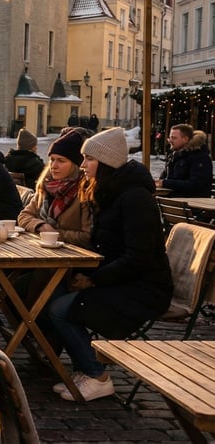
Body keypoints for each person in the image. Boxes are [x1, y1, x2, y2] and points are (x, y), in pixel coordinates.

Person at [45, 127, 172, 402]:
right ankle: (84, 367)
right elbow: (105, 246)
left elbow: (139, 258)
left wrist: (94, 279)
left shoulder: (135, 198)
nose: (83, 165)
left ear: (106, 162)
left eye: (89, 159)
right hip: (120, 277)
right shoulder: (109, 191)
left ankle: (97, 376)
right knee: (53, 291)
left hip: (144, 288)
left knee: (60, 309)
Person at [17, 129, 91, 247]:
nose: (54, 166)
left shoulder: (84, 191)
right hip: (42, 249)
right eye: (52, 160)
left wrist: (55, 234)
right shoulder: (47, 185)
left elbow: (87, 237)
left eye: (61, 161)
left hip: (73, 254)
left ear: (75, 165)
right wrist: (42, 226)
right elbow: (23, 216)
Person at [157, 124, 213, 198]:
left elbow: (195, 184)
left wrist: (165, 183)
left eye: (174, 138)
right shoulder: (174, 156)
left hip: (193, 201)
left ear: (185, 139)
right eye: (170, 137)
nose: (170, 140)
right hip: (173, 198)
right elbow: (163, 179)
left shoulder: (200, 157)